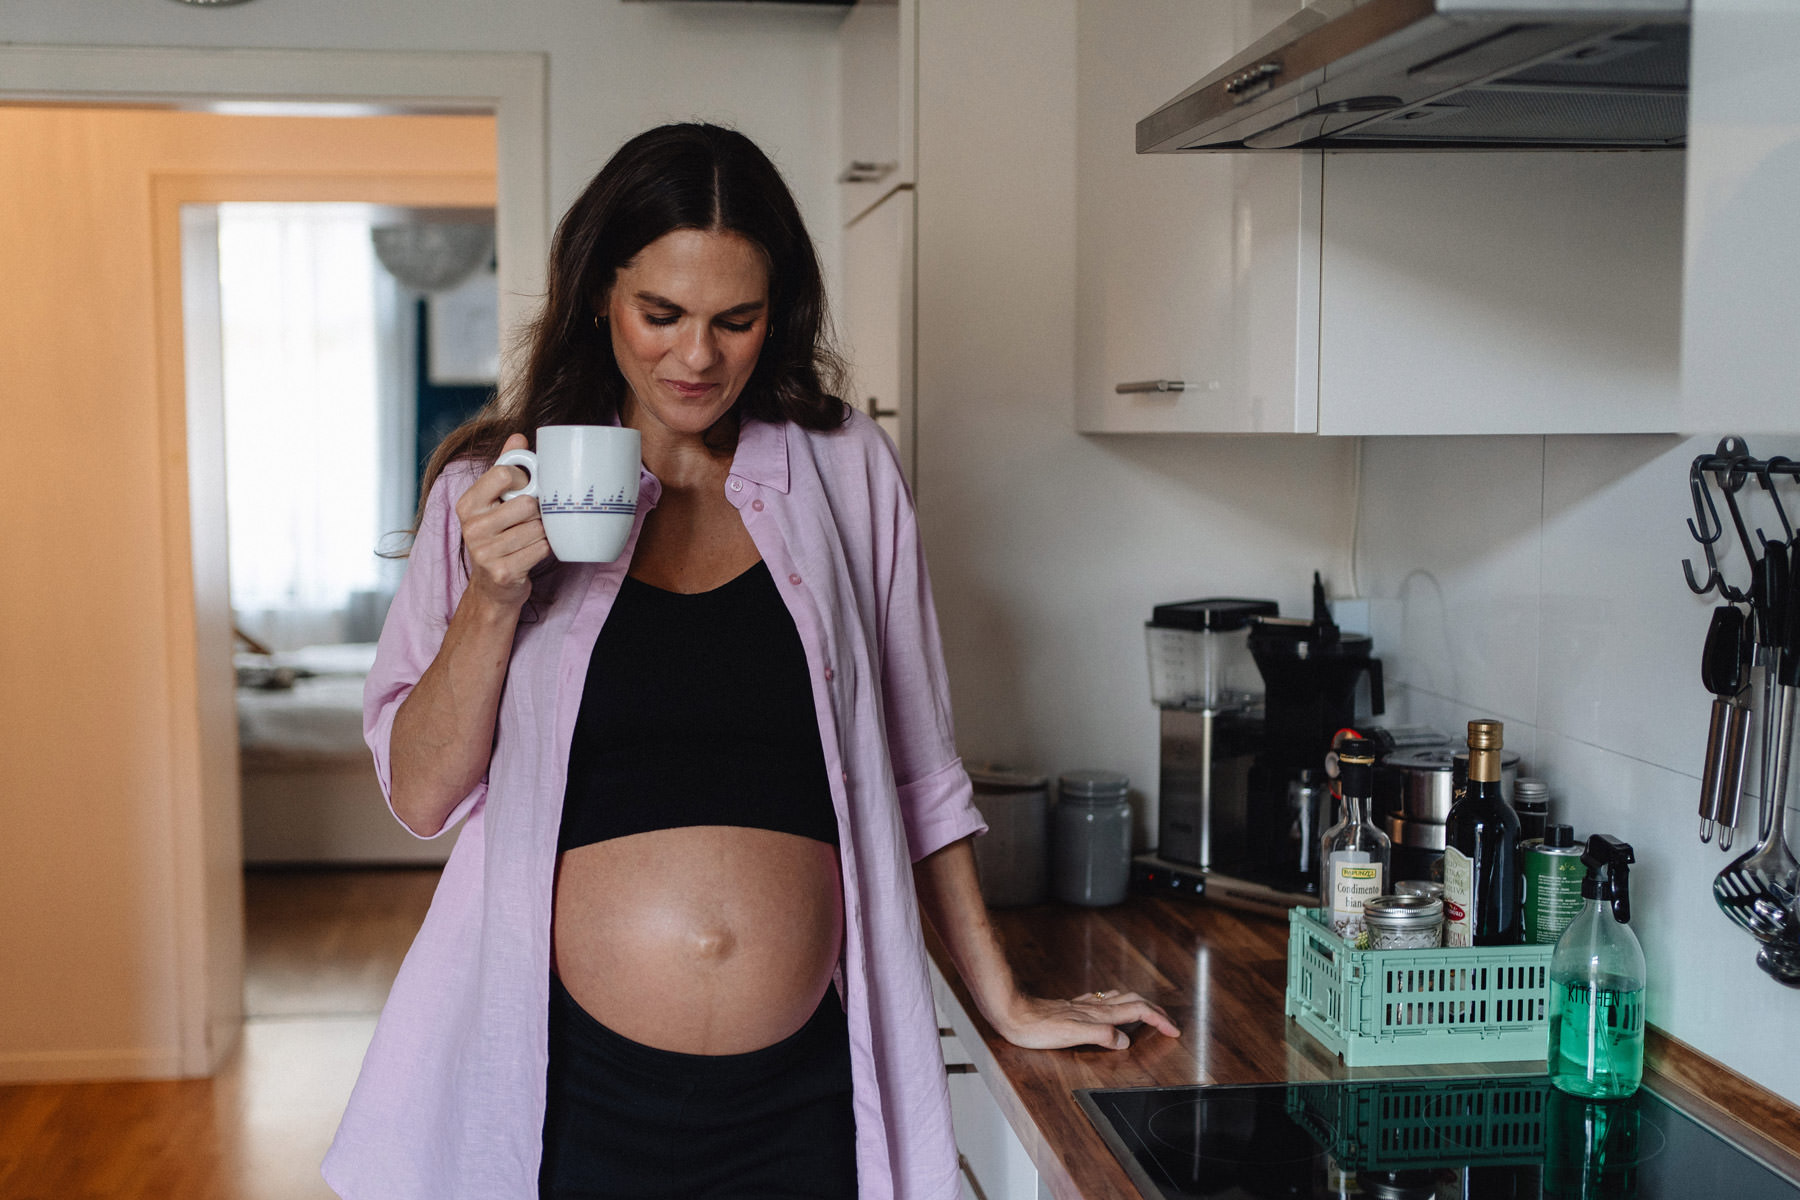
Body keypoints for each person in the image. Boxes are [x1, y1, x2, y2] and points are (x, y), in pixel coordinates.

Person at [322, 123, 1176, 1200]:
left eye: (737, 320)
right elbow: (421, 790)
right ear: (600, 294)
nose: (697, 357)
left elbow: (917, 759)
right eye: (662, 314)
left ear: (778, 317)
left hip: (803, 1100)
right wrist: (491, 599)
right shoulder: (495, 492)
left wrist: (1001, 998)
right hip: (572, 1097)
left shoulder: (843, 471)